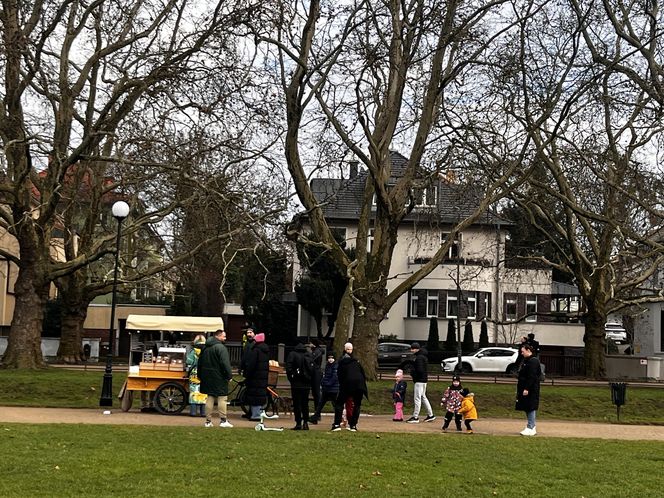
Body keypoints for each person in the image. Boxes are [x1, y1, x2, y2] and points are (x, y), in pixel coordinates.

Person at [197, 329, 233, 428]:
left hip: (207, 376)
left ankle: (208, 421)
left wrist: (200, 375)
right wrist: (229, 376)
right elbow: (225, 363)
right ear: (218, 336)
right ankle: (223, 420)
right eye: (224, 336)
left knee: (210, 397)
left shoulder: (205, 347)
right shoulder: (221, 348)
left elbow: (199, 363)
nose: (225, 338)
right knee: (222, 397)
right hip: (219, 377)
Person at [331, 342, 368, 432]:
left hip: (347, 384)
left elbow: (340, 376)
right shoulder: (356, 363)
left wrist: (342, 386)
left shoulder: (342, 363)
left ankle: (336, 424)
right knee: (357, 405)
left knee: (339, 403)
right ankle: (353, 425)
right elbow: (363, 374)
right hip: (359, 385)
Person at [286, 342, 313, 430]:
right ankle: (305, 422)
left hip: (296, 383)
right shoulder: (308, 354)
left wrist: (291, 379)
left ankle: (298, 423)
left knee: (297, 403)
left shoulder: (292, 354)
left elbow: (288, 368)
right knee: (305, 403)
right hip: (306, 383)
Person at [516, 343, 541, 436]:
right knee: (527, 407)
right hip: (525, 387)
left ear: (528, 350)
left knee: (530, 407)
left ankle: (531, 426)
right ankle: (531, 426)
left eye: (523, 351)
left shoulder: (533, 361)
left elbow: (532, 376)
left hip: (530, 389)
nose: (521, 353)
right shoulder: (527, 361)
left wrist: (527, 388)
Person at [244, 332, 270, 421]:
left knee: (254, 395)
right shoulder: (265, 350)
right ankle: (256, 413)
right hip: (262, 377)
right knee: (259, 395)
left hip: (255, 377)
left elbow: (252, 364)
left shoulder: (256, 350)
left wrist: (247, 374)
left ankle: (255, 415)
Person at [406, 342, 435, 423]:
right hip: (423, 380)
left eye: (413, 349)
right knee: (423, 397)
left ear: (416, 349)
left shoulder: (419, 358)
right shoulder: (423, 356)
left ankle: (415, 417)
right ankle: (430, 415)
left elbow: (419, 370)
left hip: (419, 380)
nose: (411, 350)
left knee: (417, 398)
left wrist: (413, 373)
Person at [311, 351, 339, 424]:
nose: (330, 359)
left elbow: (334, 377)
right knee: (321, 404)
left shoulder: (335, 366)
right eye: (329, 358)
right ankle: (316, 417)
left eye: (332, 358)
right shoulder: (327, 365)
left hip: (333, 389)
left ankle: (338, 419)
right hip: (327, 389)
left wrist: (327, 383)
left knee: (335, 405)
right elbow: (326, 376)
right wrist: (323, 383)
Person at [186, 334, 207, 417]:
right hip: (205, 373)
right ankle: (203, 412)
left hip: (194, 373)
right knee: (204, 392)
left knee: (194, 392)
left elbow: (189, 361)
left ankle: (193, 412)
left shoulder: (193, 351)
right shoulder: (207, 350)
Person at [308, 339, 324, 423]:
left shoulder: (316, 352)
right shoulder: (317, 351)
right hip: (315, 374)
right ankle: (317, 414)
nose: (309, 345)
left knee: (317, 394)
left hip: (316, 374)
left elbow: (311, 360)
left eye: (311, 343)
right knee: (316, 394)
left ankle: (317, 414)